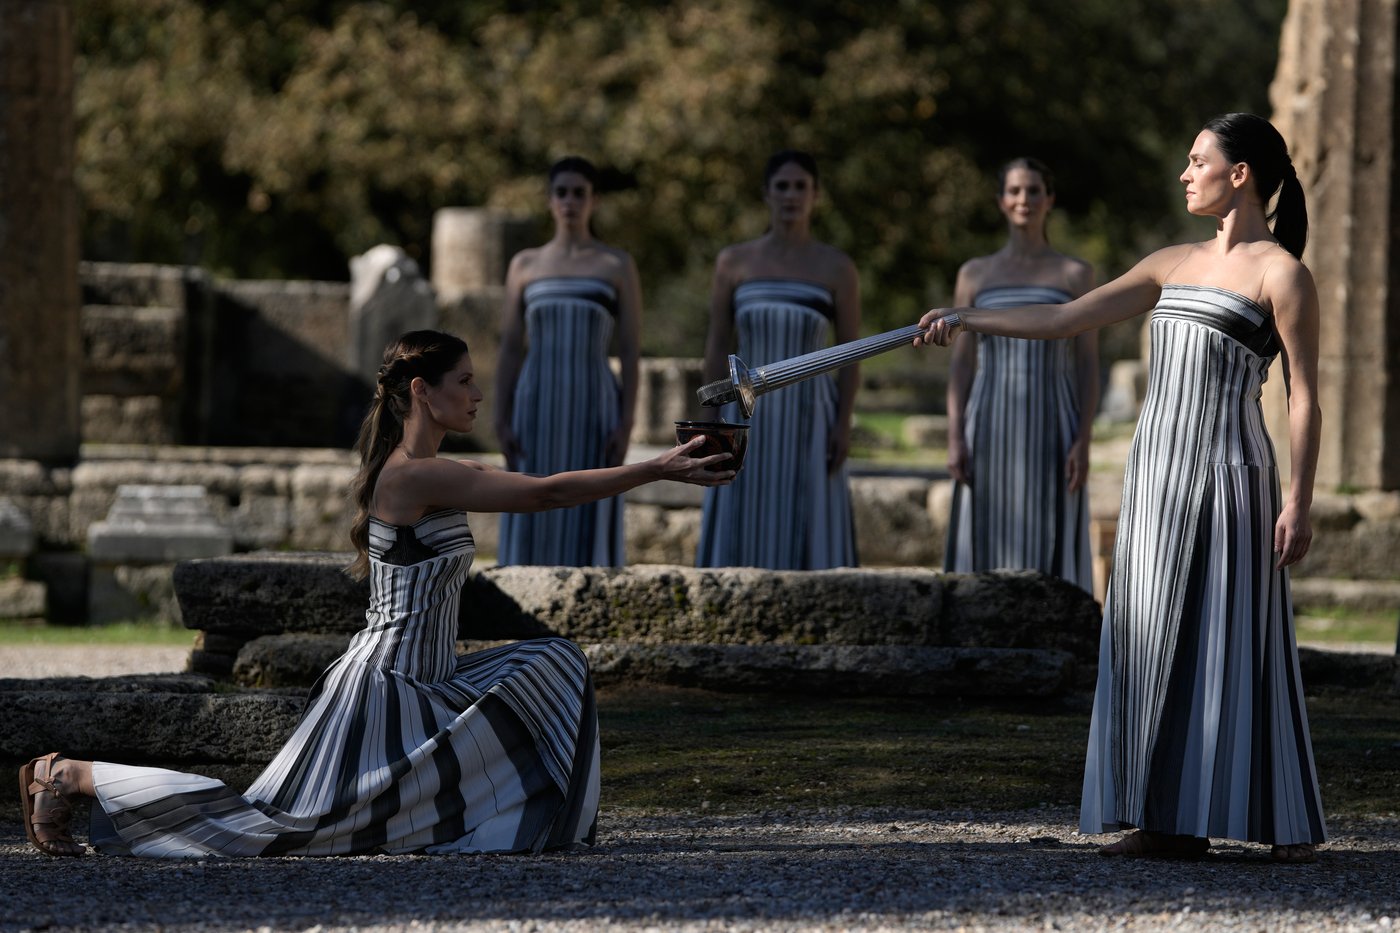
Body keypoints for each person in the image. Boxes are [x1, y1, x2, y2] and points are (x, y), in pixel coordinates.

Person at [19, 330, 733, 858]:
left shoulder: (429, 468)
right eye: (464, 381)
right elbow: (544, 493)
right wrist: (657, 468)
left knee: (556, 666)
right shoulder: (411, 476)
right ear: (422, 391)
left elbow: (528, 484)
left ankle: (521, 823)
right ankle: (69, 774)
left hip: (426, 684)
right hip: (382, 690)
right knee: (268, 830)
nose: (477, 393)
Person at [917, 113, 1325, 864]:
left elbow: (1303, 395)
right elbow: (1069, 317)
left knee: (1233, 641)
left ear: (1240, 174)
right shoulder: (1169, 261)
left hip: (1230, 474)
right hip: (1154, 478)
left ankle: (1280, 817)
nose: (1184, 173)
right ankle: (1160, 816)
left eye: (1197, 160)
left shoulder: (1281, 272)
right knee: (1144, 637)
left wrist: (1299, 499)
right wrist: (968, 317)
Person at [697, 150, 860, 569]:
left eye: (800, 186)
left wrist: (842, 423)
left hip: (814, 413)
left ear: (815, 195)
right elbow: (717, 342)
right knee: (741, 508)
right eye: (782, 186)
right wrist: (709, 419)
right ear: (767, 194)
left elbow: (851, 355)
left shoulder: (837, 268)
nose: (791, 195)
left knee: (809, 511)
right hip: (744, 414)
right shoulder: (734, 262)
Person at [944, 157, 1097, 592]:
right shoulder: (974, 273)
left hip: (1054, 422)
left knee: (1050, 529)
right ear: (1000, 201)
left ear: (1049, 199)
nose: (1023, 199)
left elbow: (1087, 362)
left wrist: (1083, 438)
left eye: (1033, 190)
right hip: (987, 421)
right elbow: (962, 361)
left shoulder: (1075, 273)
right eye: (1014, 191)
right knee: (985, 526)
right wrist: (956, 434)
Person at [494, 156, 642, 566]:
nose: (570, 201)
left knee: (591, 496)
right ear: (550, 200)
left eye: (580, 193)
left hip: (594, 403)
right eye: (562, 192)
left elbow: (630, 349)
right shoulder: (524, 265)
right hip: (535, 402)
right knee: (529, 495)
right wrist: (499, 417)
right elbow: (509, 346)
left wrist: (627, 420)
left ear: (593, 200)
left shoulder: (616, 265)